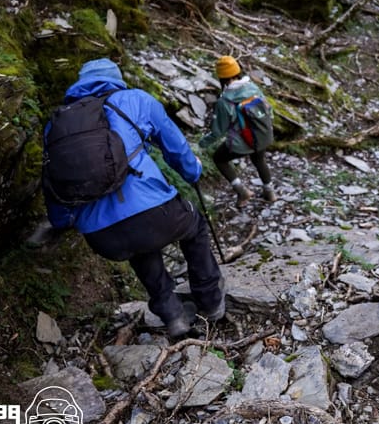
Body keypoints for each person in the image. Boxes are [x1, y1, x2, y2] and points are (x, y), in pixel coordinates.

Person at [45, 58, 225, 339]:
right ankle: (211, 301)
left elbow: (52, 178)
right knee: (194, 226)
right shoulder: (134, 100)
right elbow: (175, 148)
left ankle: (173, 316)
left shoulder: (57, 124)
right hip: (155, 215)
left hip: (101, 236)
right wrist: (193, 172)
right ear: (115, 78)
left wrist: (60, 222)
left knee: (139, 248)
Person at [200, 55, 277, 207]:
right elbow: (269, 110)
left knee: (219, 159)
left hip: (243, 142)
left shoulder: (225, 101)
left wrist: (201, 144)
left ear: (221, 78)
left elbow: (218, 131)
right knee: (259, 159)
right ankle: (270, 192)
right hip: (262, 135)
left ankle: (242, 192)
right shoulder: (253, 87)